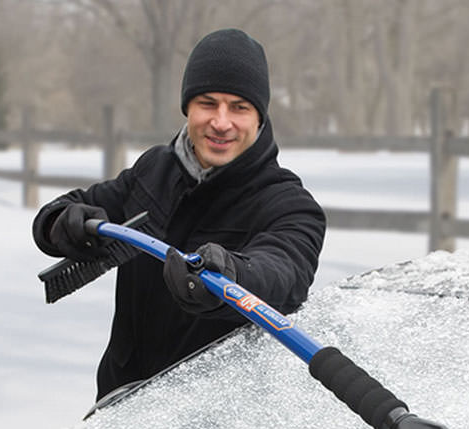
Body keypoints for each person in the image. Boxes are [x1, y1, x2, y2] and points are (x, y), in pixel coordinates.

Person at [32, 28, 326, 402]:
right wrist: (61, 221)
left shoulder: (288, 204)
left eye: (239, 107)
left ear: (259, 118)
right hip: (120, 403)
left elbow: (283, 272)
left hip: (213, 422)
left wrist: (232, 274)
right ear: (188, 107)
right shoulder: (155, 169)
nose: (221, 122)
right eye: (208, 103)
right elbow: (71, 207)